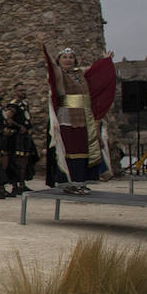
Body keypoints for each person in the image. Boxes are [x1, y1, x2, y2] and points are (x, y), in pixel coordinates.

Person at [42, 42, 118, 192]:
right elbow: (52, 67)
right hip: (68, 117)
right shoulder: (59, 74)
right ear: (59, 60)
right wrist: (45, 48)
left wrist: (105, 61)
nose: (68, 60)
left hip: (84, 116)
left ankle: (80, 181)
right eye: (65, 57)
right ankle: (69, 182)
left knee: (84, 149)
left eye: (71, 57)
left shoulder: (79, 74)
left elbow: (95, 71)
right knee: (71, 150)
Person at [8, 82, 38, 193]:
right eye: (20, 90)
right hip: (17, 138)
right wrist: (19, 126)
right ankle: (15, 184)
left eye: (24, 90)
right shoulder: (13, 105)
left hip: (25, 137)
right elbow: (7, 118)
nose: (23, 92)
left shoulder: (24, 104)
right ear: (15, 92)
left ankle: (22, 183)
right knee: (18, 161)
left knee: (25, 161)